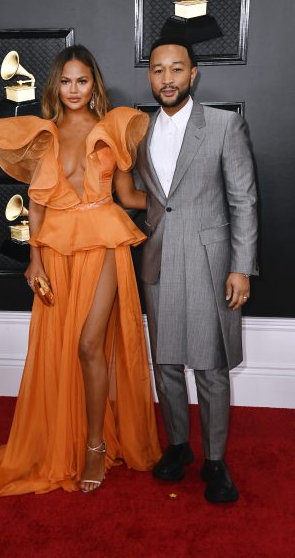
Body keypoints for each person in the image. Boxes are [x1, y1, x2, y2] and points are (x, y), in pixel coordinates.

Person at [0, 45, 161, 498]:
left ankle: (95, 446)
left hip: (103, 242)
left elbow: (128, 195)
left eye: (82, 81)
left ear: (93, 84)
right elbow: (37, 205)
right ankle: (66, 438)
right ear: (55, 87)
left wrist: (180, 201)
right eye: (66, 81)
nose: (74, 89)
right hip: (56, 250)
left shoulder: (111, 129)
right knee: (61, 345)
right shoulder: (45, 134)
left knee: (88, 344)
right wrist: (34, 258)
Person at [134, 36, 258, 503]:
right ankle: (179, 447)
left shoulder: (226, 125)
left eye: (176, 69)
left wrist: (241, 267)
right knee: (165, 361)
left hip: (211, 259)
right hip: (158, 256)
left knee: (209, 364)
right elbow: (139, 194)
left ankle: (215, 460)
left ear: (193, 74)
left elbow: (243, 199)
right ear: (151, 77)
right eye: (158, 70)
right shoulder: (137, 131)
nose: (167, 79)